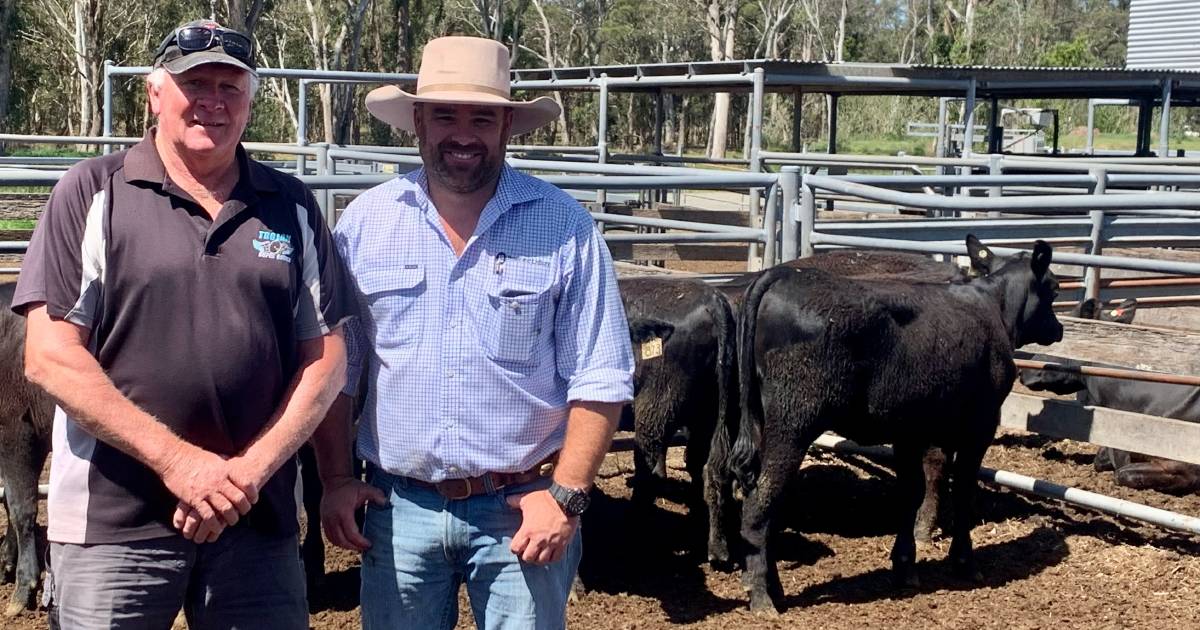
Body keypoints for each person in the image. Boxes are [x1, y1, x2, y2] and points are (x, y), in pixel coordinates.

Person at [12, 19, 353, 629]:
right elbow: (50, 354)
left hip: (257, 518)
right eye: (196, 83)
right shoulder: (93, 192)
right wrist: (180, 464)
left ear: (250, 100)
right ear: (155, 93)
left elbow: (326, 356)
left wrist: (243, 475)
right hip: (113, 522)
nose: (213, 102)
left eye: (231, 86)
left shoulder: (290, 204)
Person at [312, 36, 634, 629]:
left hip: (522, 507)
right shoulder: (366, 223)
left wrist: (565, 495)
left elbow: (601, 373)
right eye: (445, 115)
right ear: (418, 121)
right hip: (397, 504)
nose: (463, 134)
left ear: (507, 125)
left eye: (482, 117)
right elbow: (337, 370)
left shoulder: (565, 227)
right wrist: (335, 479)